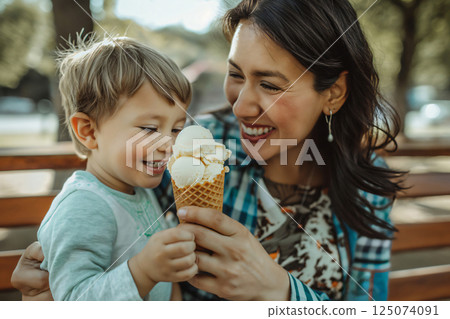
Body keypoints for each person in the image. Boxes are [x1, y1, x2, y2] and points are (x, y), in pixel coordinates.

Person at [12, 0, 404, 301]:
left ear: (332, 93)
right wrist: (51, 279)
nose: (241, 105)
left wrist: (281, 292)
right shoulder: (194, 147)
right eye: (236, 75)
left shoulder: (367, 185)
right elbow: (106, 241)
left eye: (269, 85)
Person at [27, 36, 198, 301]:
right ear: (88, 131)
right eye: (150, 129)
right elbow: (74, 301)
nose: (169, 144)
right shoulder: (83, 207)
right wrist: (143, 271)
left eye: (176, 129)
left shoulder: (137, 189)